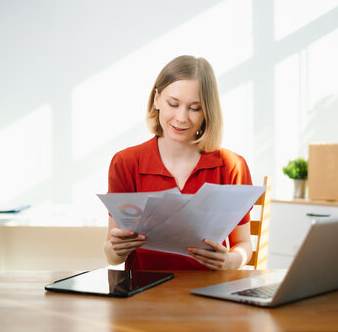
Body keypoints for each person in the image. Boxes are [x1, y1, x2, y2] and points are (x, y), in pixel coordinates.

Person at [103, 55, 253, 270]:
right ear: (156, 99)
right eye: (173, 104)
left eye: (195, 108)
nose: (181, 118)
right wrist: (115, 250)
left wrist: (232, 260)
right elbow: (112, 256)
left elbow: (243, 244)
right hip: (143, 295)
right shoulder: (126, 163)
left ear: (207, 111)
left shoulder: (231, 166)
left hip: (209, 294)